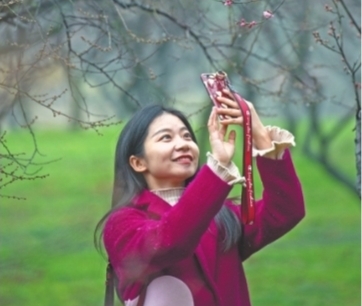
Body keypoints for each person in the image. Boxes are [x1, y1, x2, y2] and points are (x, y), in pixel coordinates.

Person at [96, 91, 305, 306]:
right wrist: (217, 172)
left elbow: (285, 211)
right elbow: (169, 242)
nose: (183, 144)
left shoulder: (221, 214)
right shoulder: (122, 223)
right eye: (166, 137)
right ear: (138, 163)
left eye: (187, 136)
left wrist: (259, 135)